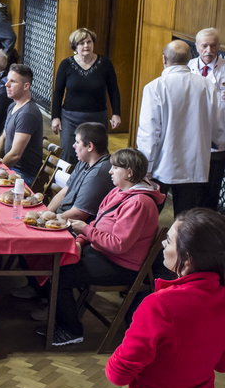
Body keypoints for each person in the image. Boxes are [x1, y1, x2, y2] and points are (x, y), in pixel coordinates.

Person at [106, 208, 225, 388]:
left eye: (168, 240)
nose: (162, 244)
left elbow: (118, 373)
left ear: (188, 258)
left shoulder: (159, 305)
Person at [49, 148, 164, 347]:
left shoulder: (139, 202)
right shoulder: (118, 191)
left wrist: (85, 230)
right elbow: (99, 223)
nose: (110, 171)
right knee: (56, 258)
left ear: (129, 172)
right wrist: (81, 240)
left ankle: (71, 330)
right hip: (102, 252)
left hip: (122, 265)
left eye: (115, 167)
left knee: (60, 273)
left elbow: (119, 244)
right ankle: (56, 318)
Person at [137, 40, 213, 217]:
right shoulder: (207, 85)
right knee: (185, 221)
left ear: (164, 59)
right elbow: (214, 123)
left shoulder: (155, 87)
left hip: (161, 164)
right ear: (190, 59)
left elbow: (149, 133)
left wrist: (144, 167)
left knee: (149, 217)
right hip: (194, 165)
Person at [188, 27, 225, 211]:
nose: (209, 50)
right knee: (190, 189)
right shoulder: (187, 67)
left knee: (212, 189)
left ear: (219, 46)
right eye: (204, 46)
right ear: (197, 47)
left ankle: (208, 230)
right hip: (190, 141)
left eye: (213, 46)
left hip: (219, 140)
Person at [51, 28, 122, 164]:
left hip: (96, 117)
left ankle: (91, 183)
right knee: (68, 154)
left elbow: (113, 90)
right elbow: (58, 92)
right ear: (75, 46)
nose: (86, 46)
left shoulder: (105, 64)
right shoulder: (66, 64)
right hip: (70, 118)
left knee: (96, 155)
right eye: (81, 43)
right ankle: (67, 184)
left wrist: (116, 113)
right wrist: (55, 117)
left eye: (89, 42)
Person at [47, 122, 114, 222]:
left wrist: (48, 222)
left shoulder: (98, 175)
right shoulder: (84, 161)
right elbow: (64, 192)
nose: (74, 146)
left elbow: (78, 214)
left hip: (72, 227)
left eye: (77, 142)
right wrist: (45, 214)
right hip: (61, 218)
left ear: (90, 146)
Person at [0, 64, 43, 185]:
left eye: (13, 82)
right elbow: (3, 136)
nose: (6, 85)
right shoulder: (13, 106)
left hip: (23, 174)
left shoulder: (27, 113)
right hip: (10, 167)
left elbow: (15, 155)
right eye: (7, 80)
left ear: (26, 86)